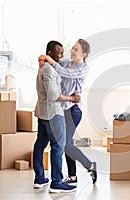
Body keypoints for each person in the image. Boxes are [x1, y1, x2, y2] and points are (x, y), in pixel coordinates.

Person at [39, 39, 97, 186]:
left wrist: (50, 61)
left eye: (76, 50)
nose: (72, 51)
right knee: (67, 143)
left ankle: (89, 165)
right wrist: (42, 58)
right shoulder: (65, 62)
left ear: (83, 54)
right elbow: (51, 61)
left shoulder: (84, 68)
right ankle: (72, 176)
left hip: (73, 110)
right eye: (72, 48)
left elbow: (64, 72)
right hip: (62, 108)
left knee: (65, 144)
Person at [33, 40, 79, 193]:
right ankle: (57, 182)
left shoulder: (44, 67)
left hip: (42, 112)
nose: (62, 53)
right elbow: (53, 95)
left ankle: (40, 178)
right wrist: (71, 98)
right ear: (50, 53)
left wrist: (42, 58)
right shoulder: (49, 70)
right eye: (58, 51)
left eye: (62, 51)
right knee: (58, 146)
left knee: (40, 144)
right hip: (53, 113)